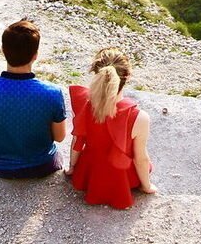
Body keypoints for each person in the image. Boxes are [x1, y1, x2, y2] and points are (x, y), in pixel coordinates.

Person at [0, 19, 68, 179]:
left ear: (3, 51)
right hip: (43, 165)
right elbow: (60, 137)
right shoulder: (52, 92)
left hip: (0, 167)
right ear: (35, 55)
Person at [67, 48, 157, 208]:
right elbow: (140, 159)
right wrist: (146, 186)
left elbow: (77, 140)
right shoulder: (139, 117)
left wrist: (72, 168)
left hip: (90, 172)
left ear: (96, 72)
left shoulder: (86, 104)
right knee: (145, 163)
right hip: (121, 176)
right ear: (127, 76)